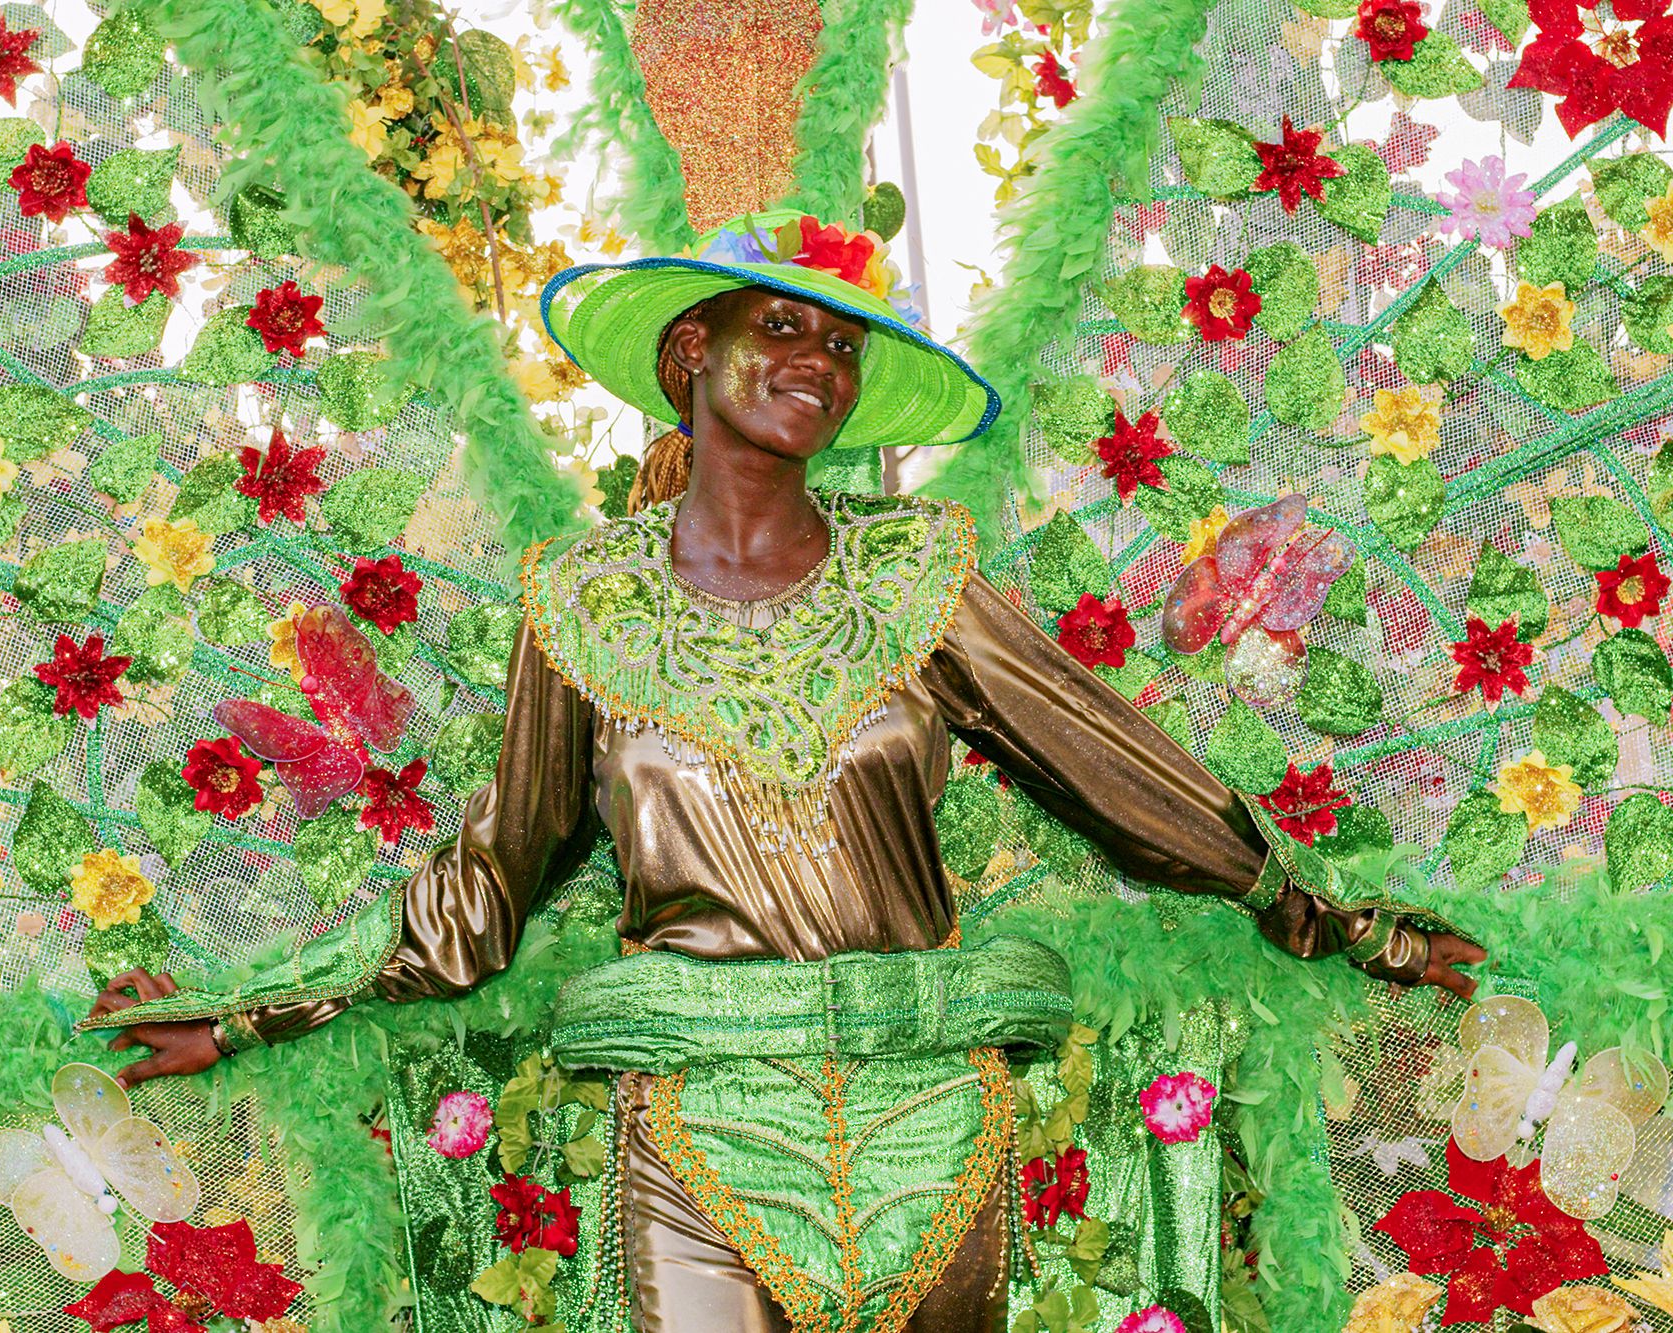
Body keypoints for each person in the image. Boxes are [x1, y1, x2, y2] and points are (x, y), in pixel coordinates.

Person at [80, 209, 1484, 1331]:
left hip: (933, 1105)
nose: (820, 360)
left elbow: (1114, 768)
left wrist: (1335, 918)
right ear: (691, 353)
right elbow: (494, 878)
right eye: (784, 327)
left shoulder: (917, 579)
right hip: (699, 1127)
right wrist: (251, 1008)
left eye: (846, 345)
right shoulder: (582, 604)